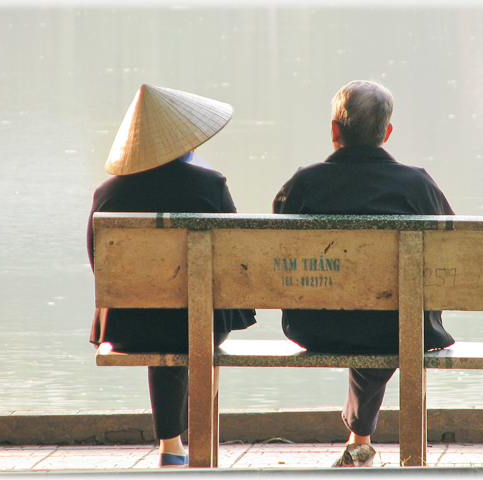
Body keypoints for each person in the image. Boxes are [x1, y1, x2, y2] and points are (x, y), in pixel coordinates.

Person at [272, 80, 455, 467]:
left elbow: (273, 250)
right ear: (386, 134)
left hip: (314, 324)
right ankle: (360, 438)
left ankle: (359, 440)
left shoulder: (304, 183)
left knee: (370, 312)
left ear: (335, 130)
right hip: (399, 327)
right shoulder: (418, 185)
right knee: (391, 316)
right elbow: (453, 255)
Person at [87, 84, 256, 467]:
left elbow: (99, 262)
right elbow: (238, 260)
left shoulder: (107, 194)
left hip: (129, 325)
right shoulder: (209, 186)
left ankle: (171, 446)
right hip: (201, 322)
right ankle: (182, 445)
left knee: (161, 312)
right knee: (187, 314)